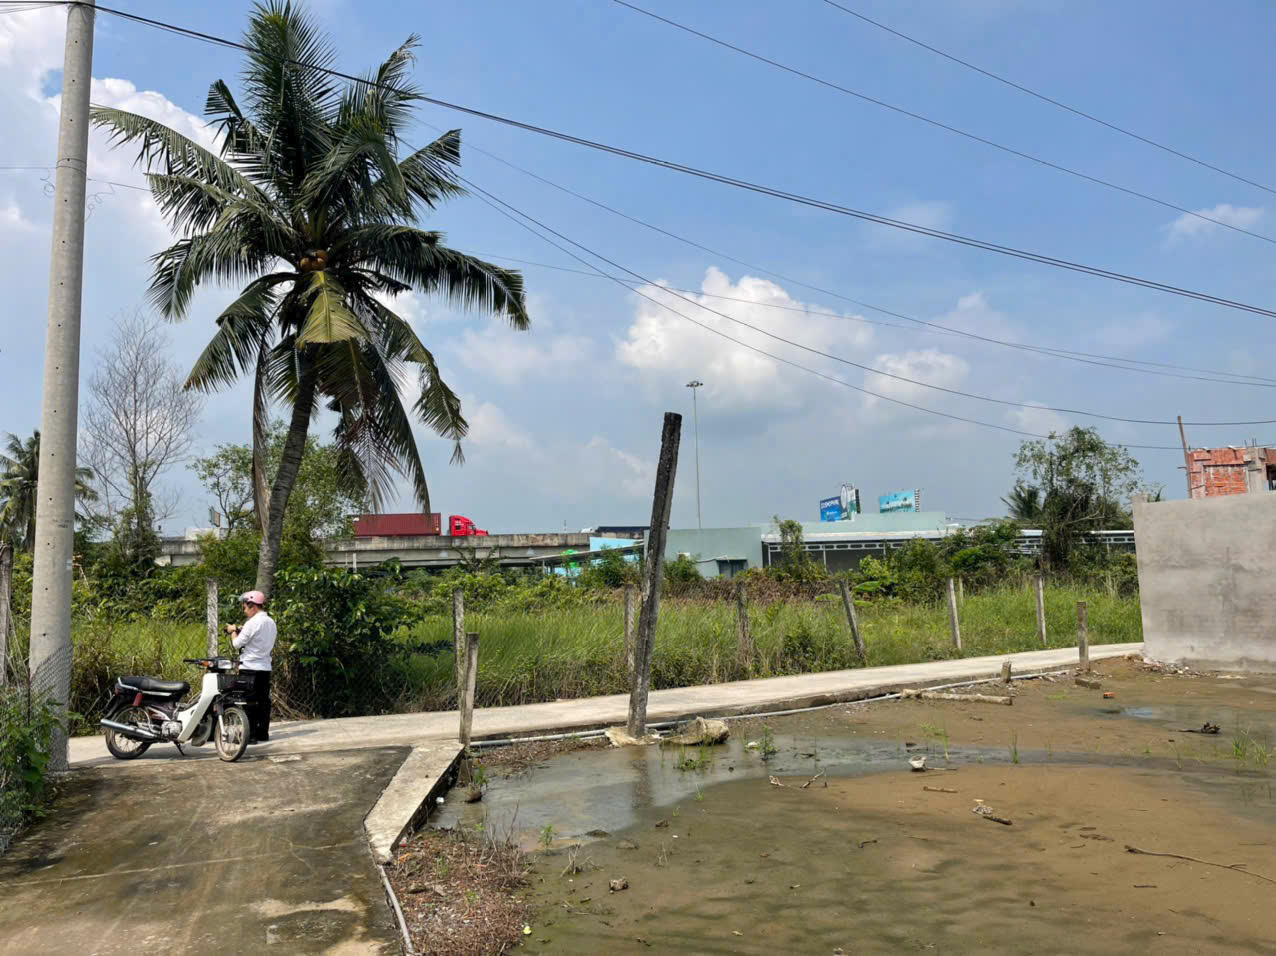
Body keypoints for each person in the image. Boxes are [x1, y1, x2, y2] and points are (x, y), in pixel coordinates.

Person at [225, 590, 276, 744]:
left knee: (249, 702)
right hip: (265, 668)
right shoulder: (271, 622)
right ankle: (262, 733)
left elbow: (236, 644)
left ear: (252, 605)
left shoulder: (252, 623)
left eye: (245, 607)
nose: (244, 611)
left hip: (249, 668)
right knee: (263, 701)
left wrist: (233, 631)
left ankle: (251, 736)